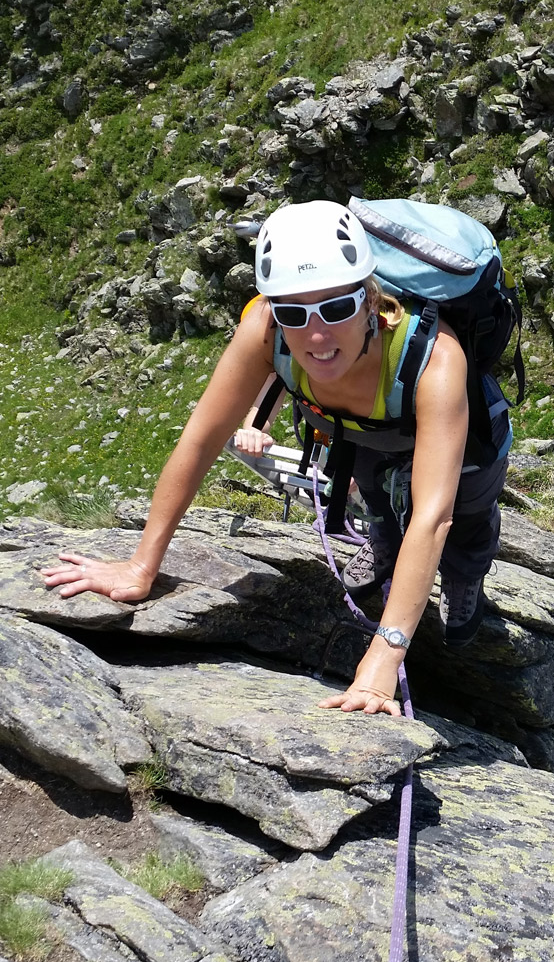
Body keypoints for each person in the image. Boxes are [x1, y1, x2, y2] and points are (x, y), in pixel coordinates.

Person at [42, 199, 510, 717]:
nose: (315, 335)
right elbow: (201, 439)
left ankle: (466, 577)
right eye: (293, 312)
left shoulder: (435, 356)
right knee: (376, 497)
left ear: (370, 298)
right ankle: (382, 545)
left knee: (465, 517)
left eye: (335, 308)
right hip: (360, 435)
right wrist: (141, 565)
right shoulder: (264, 329)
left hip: (465, 440)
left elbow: (432, 515)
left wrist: (384, 655)